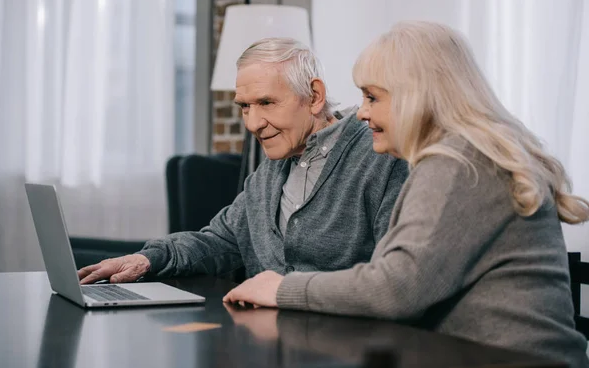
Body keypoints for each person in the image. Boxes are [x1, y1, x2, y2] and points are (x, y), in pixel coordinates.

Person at [222, 22, 589, 368]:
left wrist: (281, 288)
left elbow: (394, 289)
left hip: (514, 367)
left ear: (418, 97)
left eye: (372, 97)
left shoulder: (457, 163)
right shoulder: (461, 157)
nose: (361, 112)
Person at [77, 37, 409, 285]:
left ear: (314, 96)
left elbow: (389, 281)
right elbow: (222, 240)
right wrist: (146, 259)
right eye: (245, 106)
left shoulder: (382, 157)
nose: (252, 123)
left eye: (266, 102)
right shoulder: (272, 168)